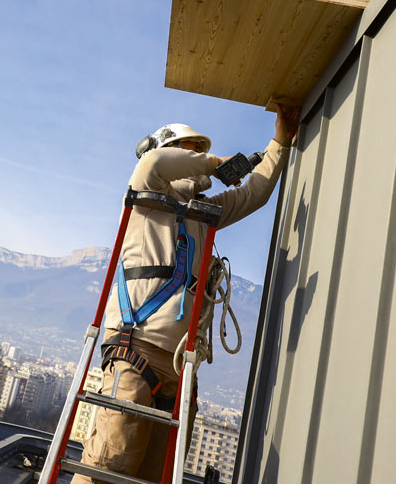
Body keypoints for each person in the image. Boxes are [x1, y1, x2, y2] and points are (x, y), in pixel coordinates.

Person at [73, 105, 298, 484]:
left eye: (199, 151)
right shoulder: (145, 193)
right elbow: (158, 161)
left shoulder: (204, 212)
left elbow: (254, 194)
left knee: (155, 475)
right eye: (189, 150)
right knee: (108, 467)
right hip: (136, 349)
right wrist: (215, 161)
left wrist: (279, 142)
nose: (195, 159)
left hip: (179, 367)